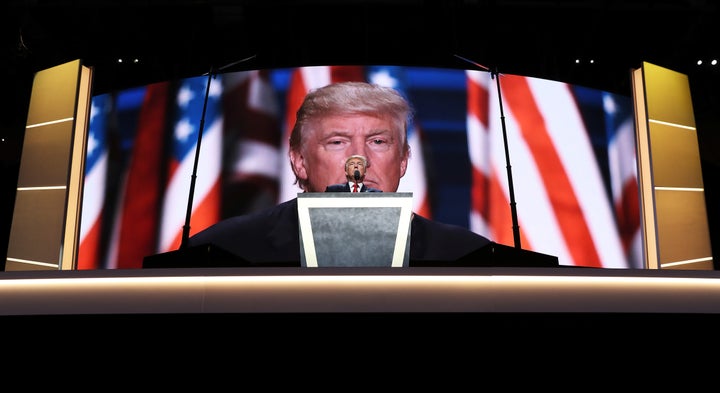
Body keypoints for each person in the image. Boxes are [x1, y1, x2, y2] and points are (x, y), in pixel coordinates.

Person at [188, 81, 492, 265]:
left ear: (403, 160)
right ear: (299, 161)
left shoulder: (469, 256)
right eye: (337, 142)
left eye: (378, 141)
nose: (358, 159)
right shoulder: (221, 251)